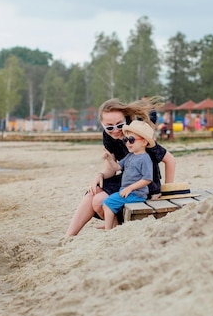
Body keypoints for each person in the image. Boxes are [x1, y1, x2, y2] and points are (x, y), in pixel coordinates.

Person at [64, 98, 176, 237]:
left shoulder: (138, 134)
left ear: (126, 119)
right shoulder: (108, 136)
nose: (115, 130)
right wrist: (99, 175)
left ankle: (113, 227)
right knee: (94, 191)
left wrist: (166, 191)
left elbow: (170, 160)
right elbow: (112, 169)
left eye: (119, 124)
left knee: (99, 201)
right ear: (103, 125)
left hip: (145, 184)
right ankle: (68, 237)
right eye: (109, 127)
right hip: (126, 178)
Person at [100, 120, 154, 230]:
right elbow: (117, 167)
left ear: (144, 142)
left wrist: (130, 188)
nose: (127, 143)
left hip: (137, 194)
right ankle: (111, 225)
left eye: (131, 140)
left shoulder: (145, 158)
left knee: (107, 203)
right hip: (126, 192)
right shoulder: (130, 156)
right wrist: (110, 159)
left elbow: (147, 179)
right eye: (126, 140)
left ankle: (108, 229)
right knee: (107, 203)